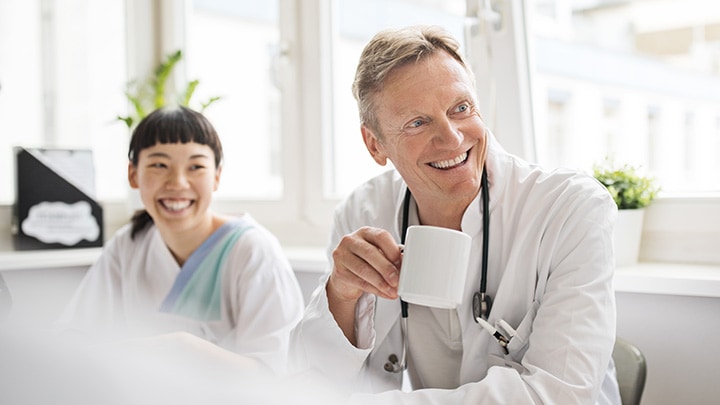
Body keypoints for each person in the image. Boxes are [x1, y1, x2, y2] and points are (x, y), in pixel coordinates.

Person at [289, 25, 621, 404]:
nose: (452, 138)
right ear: (375, 144)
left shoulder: (570, 209)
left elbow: (559, 396)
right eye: (417, 122)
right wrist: (341, 296)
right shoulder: (363, 212)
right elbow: (309, 385)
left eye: (460, 109)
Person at [56, 105, 304, 375]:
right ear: (133, 174)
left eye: (196, 166)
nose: (177, 182)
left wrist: (185, 350)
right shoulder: (129, 244)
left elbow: (276, 375)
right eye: (159, 165)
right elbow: (73, 340)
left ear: (217, 176)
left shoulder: (252, 251)